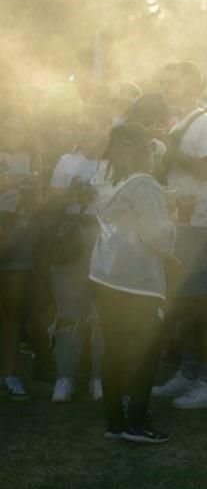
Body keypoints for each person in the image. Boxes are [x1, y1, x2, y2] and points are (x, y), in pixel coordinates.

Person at [90, 124, 176, 443]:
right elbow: (156, 236)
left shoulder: (103, 177)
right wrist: (172, 223)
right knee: (145, 351)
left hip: (104, 273)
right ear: (145, 151)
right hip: (137, 279)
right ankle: (137, 422)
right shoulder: (145, 185)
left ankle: (115, 419)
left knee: (114, 349)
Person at [152, 61, 207, 409]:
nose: (168, 88)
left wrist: (171, 150)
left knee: (202, 304)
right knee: (183, 303)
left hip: (197, 224)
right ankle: (187, 372)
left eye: (175, 82)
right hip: (177, 224)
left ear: (194, 86)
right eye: (165, 82)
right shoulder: (178, 122)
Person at [47, 108, 111, 402]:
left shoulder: (113, 165)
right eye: (85, 128)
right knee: (68, 309)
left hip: (104, 238)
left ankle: (99, 378)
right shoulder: (66, 161)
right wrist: (70, 195)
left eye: (97, 128)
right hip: (71, 236)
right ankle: (64, 377)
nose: (90, 134)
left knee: (101, 312)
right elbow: (50, 202)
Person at [0, 113, 39, 400]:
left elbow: (38, 202)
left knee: (13, 309)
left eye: (19, 125)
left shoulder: (32, 159)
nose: (13, 130)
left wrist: (31, 195)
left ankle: (9, 374)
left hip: (19, 233)